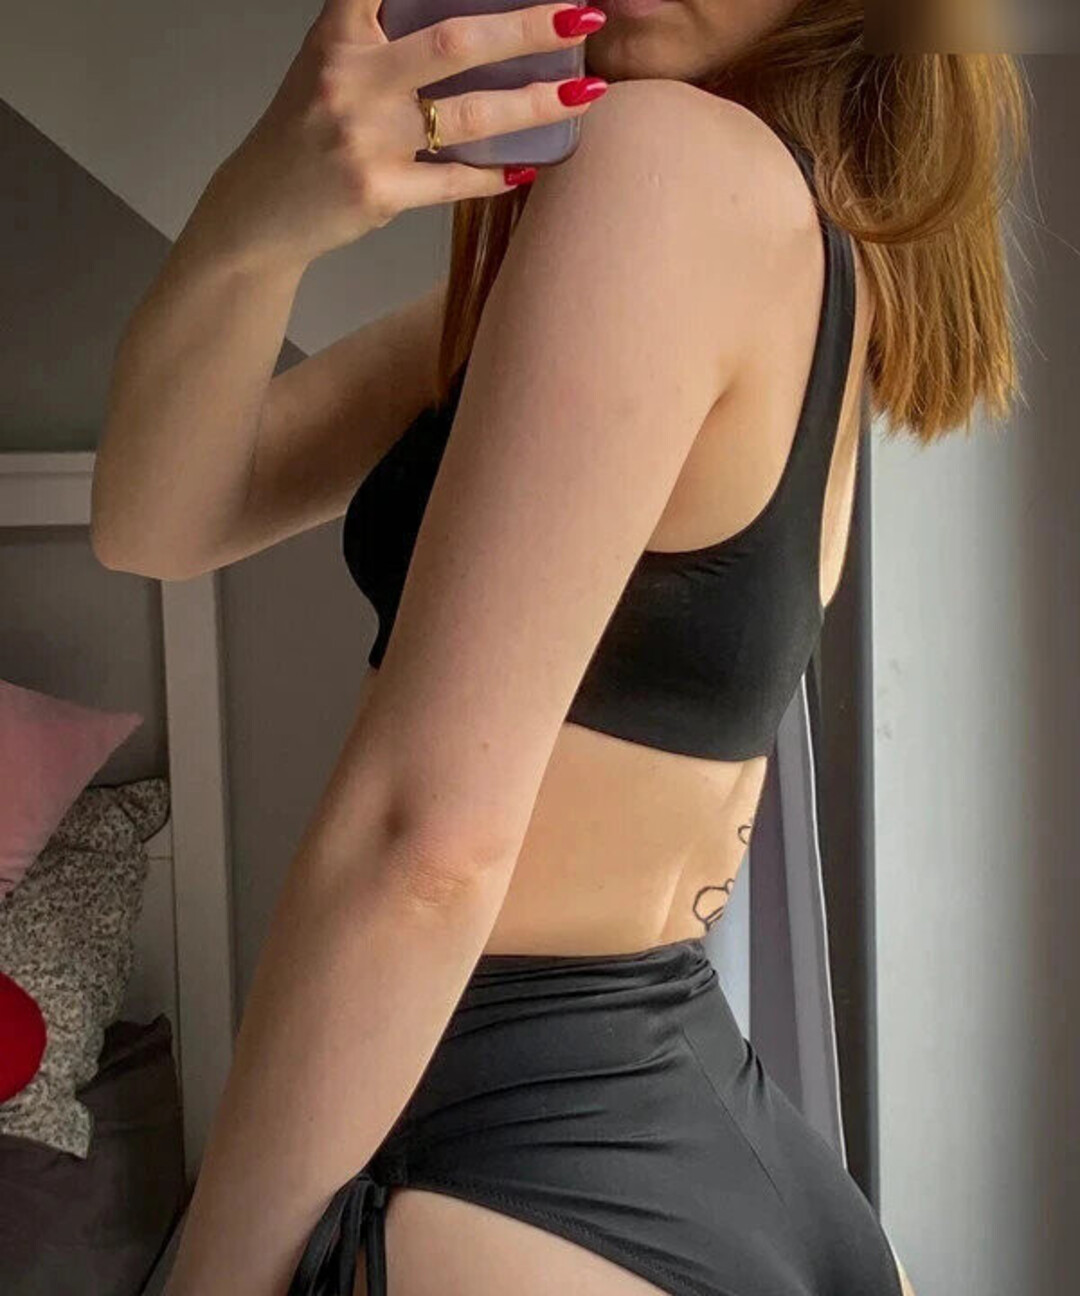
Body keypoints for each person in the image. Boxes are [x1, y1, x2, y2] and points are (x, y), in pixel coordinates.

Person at [91, 1, 1027, 1293]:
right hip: (707, 1133)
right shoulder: (788, 225)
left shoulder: (665, 165)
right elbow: (160, 518)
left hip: (505, 1160)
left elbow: (425, 846)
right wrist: (259, 219)